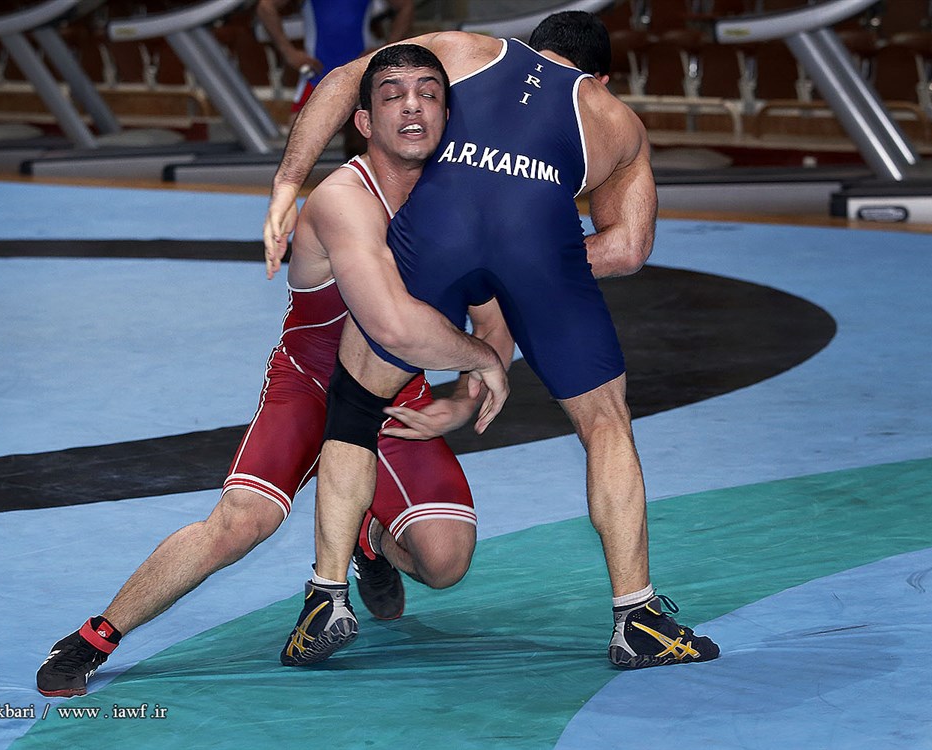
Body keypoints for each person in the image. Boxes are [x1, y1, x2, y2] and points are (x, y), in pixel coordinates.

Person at [35, 44, 510, 697]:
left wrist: (464, 396)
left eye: (428, 94)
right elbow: (396, 321)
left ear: (447, 115)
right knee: (240, 522)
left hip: (393, 394)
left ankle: (368, 538)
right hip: (311, 388)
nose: (412, 107)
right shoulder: (342, 199)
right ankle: (95, 637)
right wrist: (482, 360)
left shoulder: (461, 203)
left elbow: (492, 316)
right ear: (365, 122)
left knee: (447, 562)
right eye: (393, 95)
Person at [266, 11, 720, 670]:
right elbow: (628, 248)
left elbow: (340, 81)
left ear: (533, 47)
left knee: (356, 408)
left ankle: (326, 598)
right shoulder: (616, 119)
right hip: (541, 250)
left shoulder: (465, 50)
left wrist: (288, 185)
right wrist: (536, 263)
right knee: (606, 425)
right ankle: (637, 617)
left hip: (438, 231)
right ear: (601, 77)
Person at [256, 0, 413, 156]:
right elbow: (265, 7)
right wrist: (288, 52)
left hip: (359, 71)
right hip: (318, 73)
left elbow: (406, 6)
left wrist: (386, 50)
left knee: (362, 145)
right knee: (297, 145)